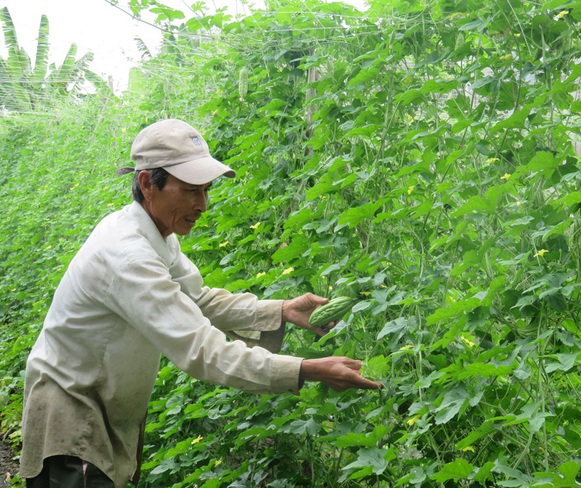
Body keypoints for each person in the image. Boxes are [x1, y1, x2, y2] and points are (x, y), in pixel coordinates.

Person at [19, 118, 382, 488]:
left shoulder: (154, 235)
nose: (203, 205)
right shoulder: (127, 257)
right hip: (74, 414)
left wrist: (281, 310)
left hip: (101, 406)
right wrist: (307, 369)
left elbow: (197, 300)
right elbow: (201, 350)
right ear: (148, 184)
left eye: (206, 190)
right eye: (192, 190)